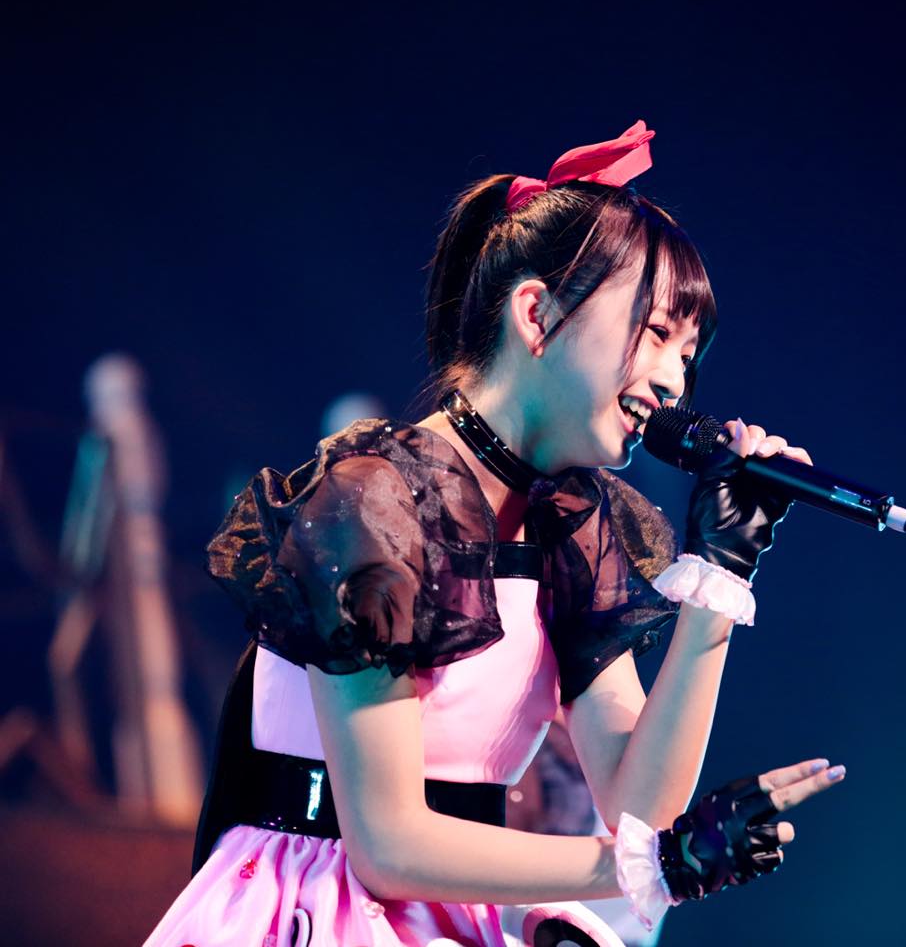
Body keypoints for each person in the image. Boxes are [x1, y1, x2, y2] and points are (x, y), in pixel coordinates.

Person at [144, 121, 846, 947]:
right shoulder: (373, 501)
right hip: (315, 909)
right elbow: (389, 847)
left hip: (452, 917)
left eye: (689, 357)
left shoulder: (573, 528)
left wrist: (720, 576)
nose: (673, 383)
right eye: (658, 334)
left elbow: (639, 812)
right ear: (536, 314)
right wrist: (654, 865)